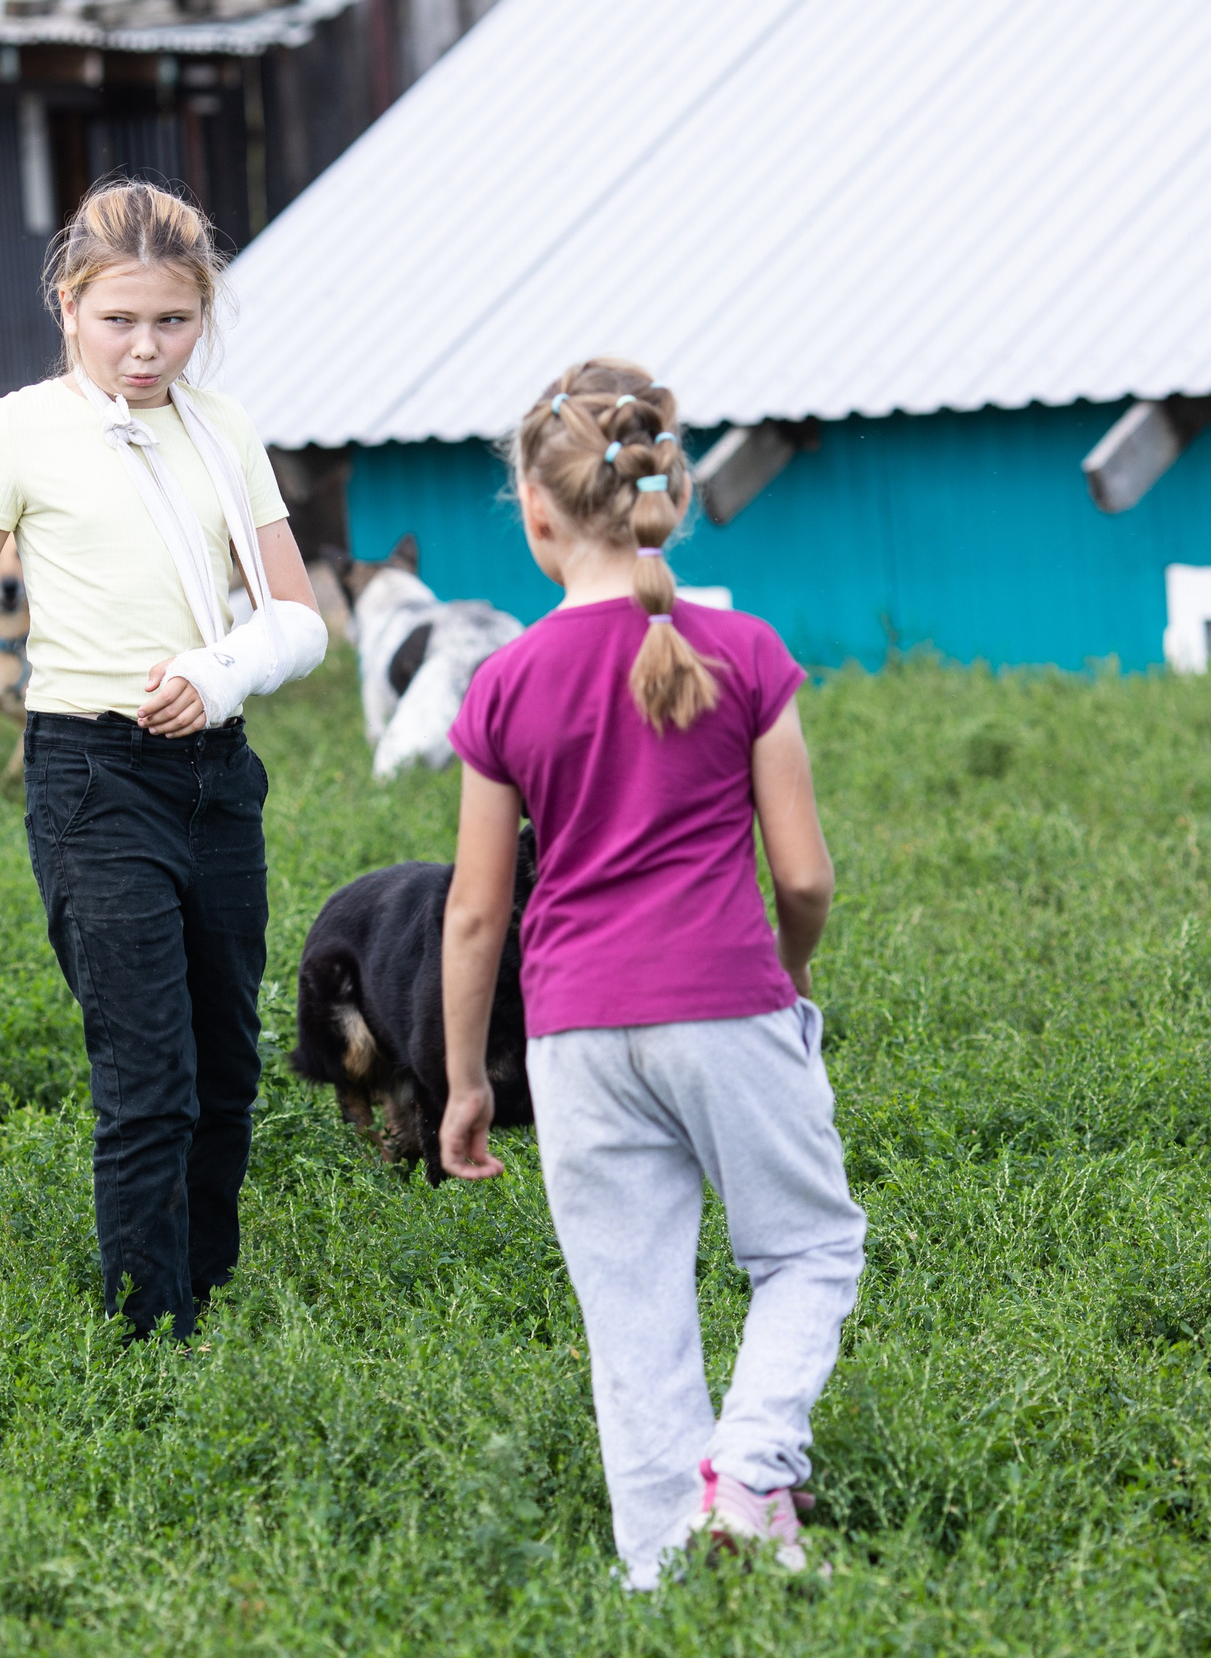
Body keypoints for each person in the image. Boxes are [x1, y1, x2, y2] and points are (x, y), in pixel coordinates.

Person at [0, 180, 327, 1340]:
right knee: (149, 1075)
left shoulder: (224, 430)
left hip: (216, 774)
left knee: (227, 1067)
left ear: (202, 315)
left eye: (173, 321)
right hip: (91, 778)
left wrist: (222, 672)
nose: (146, 348)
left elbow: (297, 618)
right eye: (118, 321)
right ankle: (147, 1334)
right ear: (68, 307)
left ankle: (207, 1296)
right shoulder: (22, 430)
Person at [435, 359, 865, 1583]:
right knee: (807, 1249)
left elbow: (475, 911)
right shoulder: (745, 650)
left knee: (631, 1317)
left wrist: (466, 1080)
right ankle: (752, 1470)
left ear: (536, 513)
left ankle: (664, 1574)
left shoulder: (504, 680)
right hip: (725, 1001)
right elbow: (805, 878)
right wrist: (784, 976)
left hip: (571, 1031)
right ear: (662, 489)